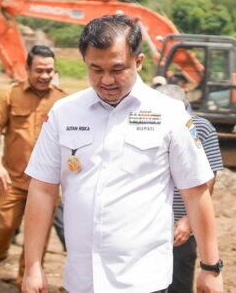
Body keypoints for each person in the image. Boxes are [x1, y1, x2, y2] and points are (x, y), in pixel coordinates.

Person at [21, 15, 224, 293]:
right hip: (82, 280)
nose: (106, 80)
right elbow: (43, 189)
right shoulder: (63, 113)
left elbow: (195, 192)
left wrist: (211, 267)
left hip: (143, 280)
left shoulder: (169, 114)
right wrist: (33, 266)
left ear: (139, 62)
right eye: (96, 69)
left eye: (118, 69)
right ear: (85, 62)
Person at [0, 45, 66, 282]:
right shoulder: (10, 94)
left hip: (46, 184)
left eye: (49, 71)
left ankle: (24, 277)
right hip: (13, 178)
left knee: (38, 236)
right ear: (27, 69)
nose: (44, 76)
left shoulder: (63, 100)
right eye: (39, 70)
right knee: (3, 226)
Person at [155, 84, 224, 293]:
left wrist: (188, 220)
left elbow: (207, 179)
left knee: (178, 286)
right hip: (149, 227)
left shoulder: (200, 128)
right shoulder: (146, 126)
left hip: (180, 229)